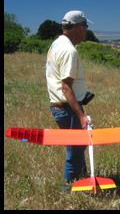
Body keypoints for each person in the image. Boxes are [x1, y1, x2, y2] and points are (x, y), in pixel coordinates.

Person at [45, 10, 92, 185]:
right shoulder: (69, 51)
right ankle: (69, 191)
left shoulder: (57, 44)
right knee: (75, 151)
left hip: (63, 107)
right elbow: (66, 87)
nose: (86, 30)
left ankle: (83, 181)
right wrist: (81, 115)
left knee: (79, 147)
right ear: (76, 27)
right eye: (84, 26)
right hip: (68, 108)